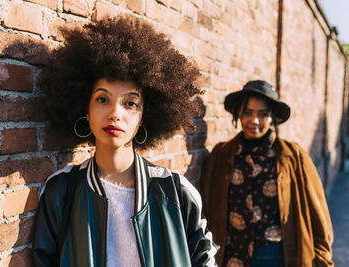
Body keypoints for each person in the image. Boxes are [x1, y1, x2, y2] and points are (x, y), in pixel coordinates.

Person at [32, 17, 218, 266]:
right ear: (85, 110)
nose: (115, 113)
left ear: (143, 116)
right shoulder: (61, 191)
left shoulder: (176, 192)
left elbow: (204, 259)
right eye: (102, 99)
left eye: (130, 103)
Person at [201, 80, 333, 267]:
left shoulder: (292, 156)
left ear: (272, 118)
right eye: (248, 112)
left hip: (275, 256)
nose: (254, 121)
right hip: (232, 254)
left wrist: (322, 258)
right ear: (239, 113)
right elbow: (206, 208)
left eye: (262, 115)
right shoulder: (221, 156)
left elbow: (318, 213)